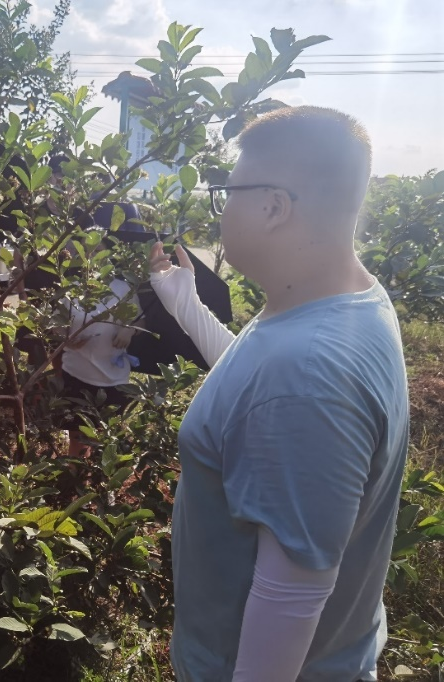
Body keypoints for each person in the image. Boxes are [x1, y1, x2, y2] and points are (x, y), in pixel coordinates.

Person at [148, 107, 408, 681]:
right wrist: (184, 304)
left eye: (227, 194)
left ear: (273, 206)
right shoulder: (340, 302)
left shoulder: (307, 376)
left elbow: (292, 595)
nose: (221, 211)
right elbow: (254, 383)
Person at [59, 271, 141, 458]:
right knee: (77, 436)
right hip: (76, 373)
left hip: (113, 378)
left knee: (106, 438)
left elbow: (139, 321)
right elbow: (56, 325)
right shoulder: (71, 288)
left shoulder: (124, 289)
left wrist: (129, 330)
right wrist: (67, 339)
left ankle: (99, 472)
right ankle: (76, 472)